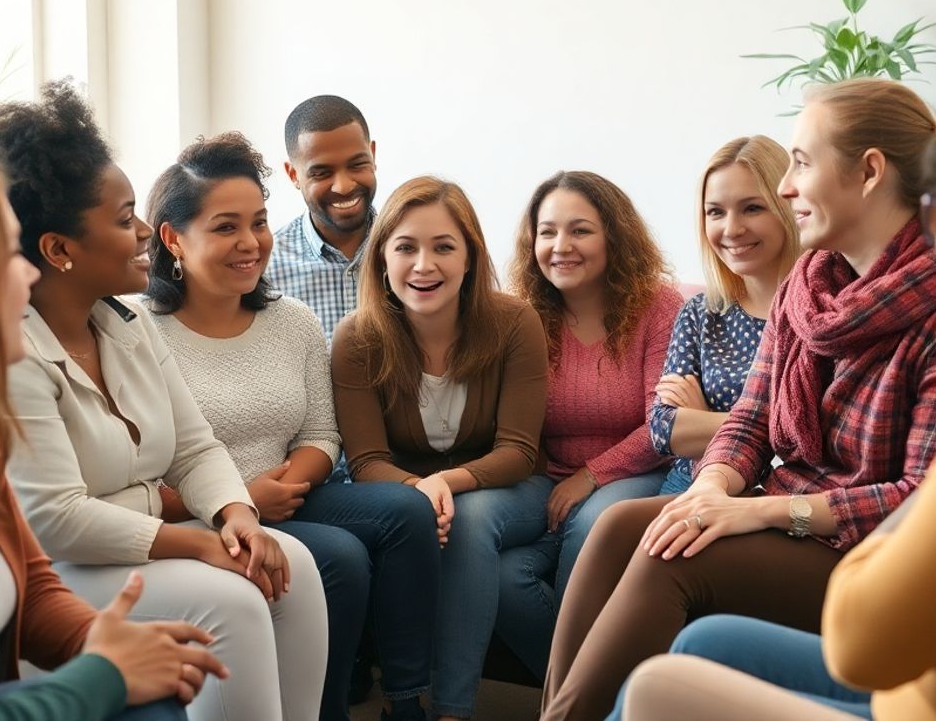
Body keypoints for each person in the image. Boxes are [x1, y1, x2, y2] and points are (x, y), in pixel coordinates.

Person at [540, 78, 936, 721]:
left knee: (672, 559)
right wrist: (711, 486)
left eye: (802, 161)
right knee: (626, 524)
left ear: (870, 171)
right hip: (790, 518)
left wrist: (762, 514)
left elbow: (922, 502)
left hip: (872, 557)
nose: (787, 185)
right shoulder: (808, 286)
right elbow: (753, 417)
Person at [0, 81, 327, 721]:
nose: (141, 232)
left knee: (291, 563)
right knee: (234, 600)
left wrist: (234, 516)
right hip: (63, 567)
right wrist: (198, 545)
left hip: (146, 540)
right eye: (122, 216)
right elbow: (54, 520)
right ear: (58, 250)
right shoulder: (12, 351)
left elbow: (194, 447)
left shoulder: (127, 327)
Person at [0, 137, 228, 720]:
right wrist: (104, 672)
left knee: (157, 687)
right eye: (9, 253)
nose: (26, 276)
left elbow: (33, 590)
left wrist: (113, 645)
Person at [144, 133, 438, 721]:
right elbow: (140, 471)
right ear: (173, 238)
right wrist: (242, 501)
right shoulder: (140, 333)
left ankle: (407, 702)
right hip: (200, 512)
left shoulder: (292, 321)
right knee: (341, 559)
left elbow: (322, 436)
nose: (251, 243)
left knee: (409, 510)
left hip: (291, 494)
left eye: (259, 222)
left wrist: (284, 487)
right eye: (226, 227)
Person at [331, 176, 549, 721]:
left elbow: (519, 451)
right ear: (381, 259)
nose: (423, 265)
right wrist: (417, 494)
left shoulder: (514, 323)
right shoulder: (356, 338)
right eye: (405, 247)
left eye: (443, 247)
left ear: (470, 257)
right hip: (409, 502)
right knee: (430, 520)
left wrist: (441, 485)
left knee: (471, 518)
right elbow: (365, 463)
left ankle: (450, 711)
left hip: (509, 490)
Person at [494, 171, 683, 678]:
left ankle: (575, 698)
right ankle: (587, 692)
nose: (561, 246)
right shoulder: (523, 314)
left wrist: (592, 475)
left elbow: (661, 425)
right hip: (548, 479)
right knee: (503, 576)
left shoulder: (660, 306)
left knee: (595, 522)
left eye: (580, 230)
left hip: (635, 472)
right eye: (548, 231)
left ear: (613, 236)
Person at [650, 136, 801, 496]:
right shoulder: (701, 312)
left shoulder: (820, 309)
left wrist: (704, 418)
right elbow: (663, 430)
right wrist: (752, 428)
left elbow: (815, 439)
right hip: (694, 481)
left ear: (789, 208)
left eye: (752, 208)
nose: (731, 229)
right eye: (716, 212)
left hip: (787, 494)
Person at [269, 95, 378, 344]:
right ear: (293, 174)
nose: (343, 186)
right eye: (322, 173)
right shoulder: (265, 270)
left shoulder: (411, 255)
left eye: (357, 164)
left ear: (372, 155)